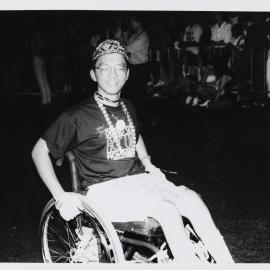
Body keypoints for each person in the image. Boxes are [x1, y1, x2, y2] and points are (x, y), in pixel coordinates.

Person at [32, 39, 234, 264]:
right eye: (104, 68)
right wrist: (61, 196)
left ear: (127, 74)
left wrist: (148, 163)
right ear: (93, 74)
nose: (112, 74)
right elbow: (39, 152)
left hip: (139, 182)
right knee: (167, 210)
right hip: (104, 189)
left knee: (192, 199)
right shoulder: (76, 116)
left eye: (119, 68)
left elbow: (135, 136)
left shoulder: (128, 105)